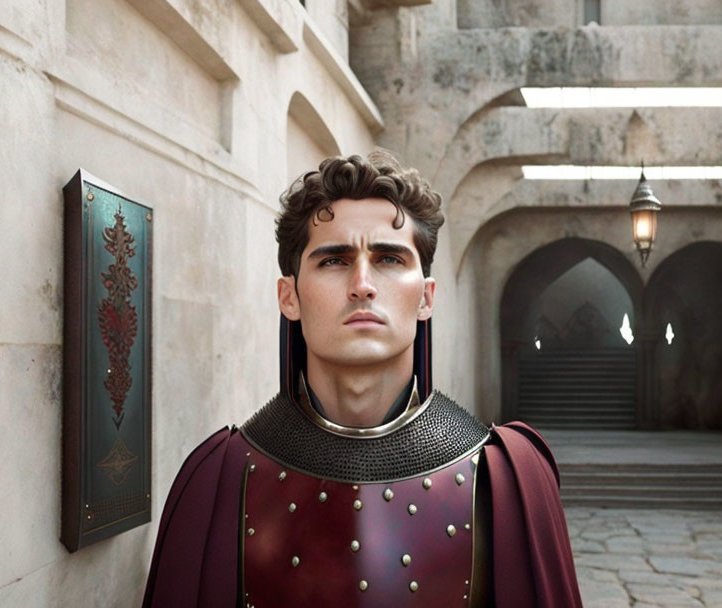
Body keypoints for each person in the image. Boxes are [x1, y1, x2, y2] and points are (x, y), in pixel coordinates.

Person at [143, 152, 581, 607]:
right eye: (334, 261)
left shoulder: (508, 478)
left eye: (389, 259)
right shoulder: (215, 481)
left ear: (426, 297)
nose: (363, 284)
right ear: (288, 296)